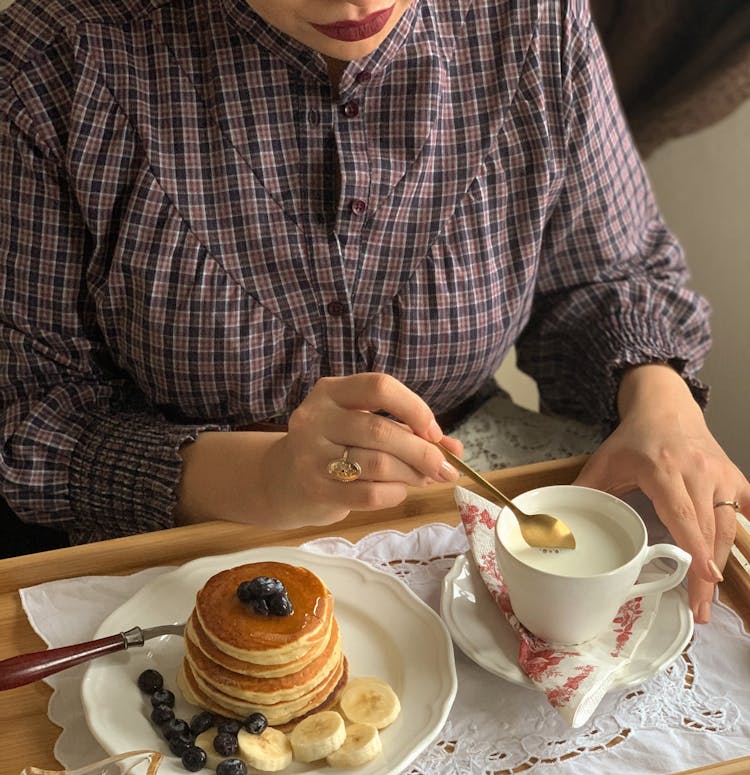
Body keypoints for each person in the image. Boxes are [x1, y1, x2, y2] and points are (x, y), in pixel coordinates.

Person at [0, 0, 747, 626]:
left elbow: (605, 275)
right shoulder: (57, 61)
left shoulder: (533, 18)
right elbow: (26, 415)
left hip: (459, 520)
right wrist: (260, 479)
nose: (357, 2)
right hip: (171, 553)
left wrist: (660, 398)